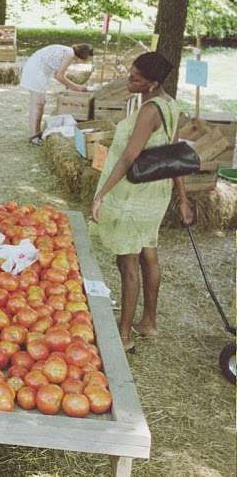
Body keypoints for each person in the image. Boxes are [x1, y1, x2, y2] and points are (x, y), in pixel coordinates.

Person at [91, 52, 193, 353]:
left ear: (152, 83)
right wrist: (182, 199)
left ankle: (124, 335)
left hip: (134, 195)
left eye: (135, 78)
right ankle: (148, 322)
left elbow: (129, 156)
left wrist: (102, 193)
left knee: (128, 263)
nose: (128, 80)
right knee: (149, 255)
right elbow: (174, 156)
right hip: (155, 194)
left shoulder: (150, 111)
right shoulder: (170, 104)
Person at [19, 43, 95, 144]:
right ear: (84, 55)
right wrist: (77, 87)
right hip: (36, 70)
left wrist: (72, 85)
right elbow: (59, 76)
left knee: (40, 103)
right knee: (38, 103)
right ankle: (34, 135)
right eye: (87, 58)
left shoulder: (68, 51)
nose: (86, 61)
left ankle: (37, 132)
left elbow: (58, 73)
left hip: (37, 68)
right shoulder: (70, 54)